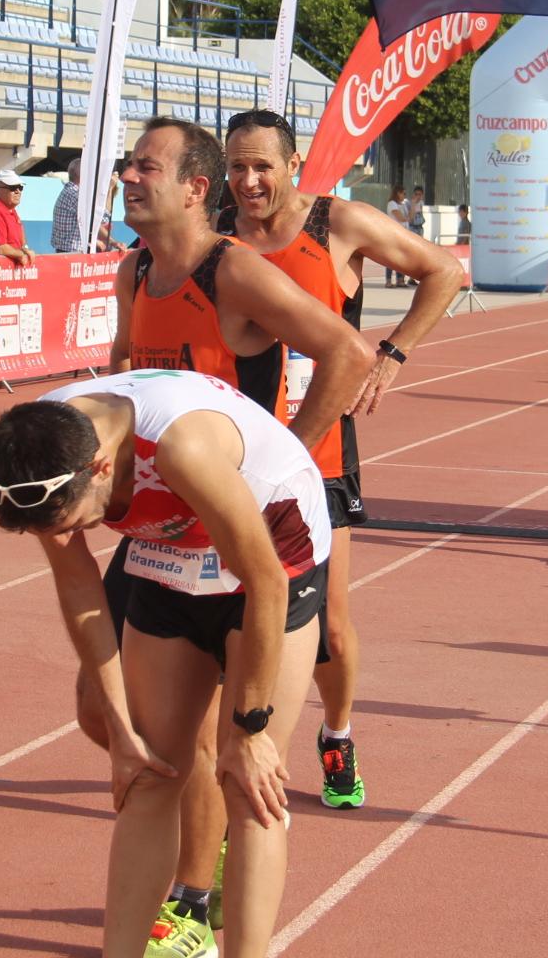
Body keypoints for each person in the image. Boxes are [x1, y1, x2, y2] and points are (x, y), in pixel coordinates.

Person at [104, 116, 371, 955]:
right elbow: (123, 371)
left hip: (256, 552)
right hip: (165, 547)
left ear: (195, 187)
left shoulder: (235, 272)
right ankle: (181, 899)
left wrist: (280, 462)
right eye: (127, 165)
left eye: (145, 167)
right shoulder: (133, 270)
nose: (127, 177)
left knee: (246, 767)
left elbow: (348, 353)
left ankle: (213, 913)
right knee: (135, 747)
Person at [0, 368, 330, 958]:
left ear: (99, 468)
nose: (76, 534)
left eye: (77, 522)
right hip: (171, 556)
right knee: (149, 774)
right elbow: (80, 588)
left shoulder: (182, 446)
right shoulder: (40, 446)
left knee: (248, 786)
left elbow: (265, 582)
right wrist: (121, 732)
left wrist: (250, 730)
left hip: (272, 555)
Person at [220, 108, 463, 812]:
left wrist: (391, 354)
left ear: (293, 165)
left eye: (262, 166)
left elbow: (444, 270)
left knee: (327, 625)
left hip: (318, 456)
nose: (249, 180)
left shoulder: (338, 224)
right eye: (236, 166)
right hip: (232, 456)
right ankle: (236, 756)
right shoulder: (218, 237)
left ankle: (337, 732)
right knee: (230, 617)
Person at [55, 170, 121, 253]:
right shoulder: (77, 194)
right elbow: (101, 221)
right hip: (74, 252)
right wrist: (110, 188)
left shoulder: (71, 191)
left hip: (70, 250)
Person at [384, 185, 409, 286]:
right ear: (398, 193)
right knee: (391, 258)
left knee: (400, 258)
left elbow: (408, 218)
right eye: (403, 193)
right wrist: (407, 218)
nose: (404, 196)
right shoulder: (392, 204)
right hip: (393, 234)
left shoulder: (403, 204)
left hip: (402, 234)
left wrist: (414, 205)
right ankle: (388, 280)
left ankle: (400, 279)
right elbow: (401, 218)